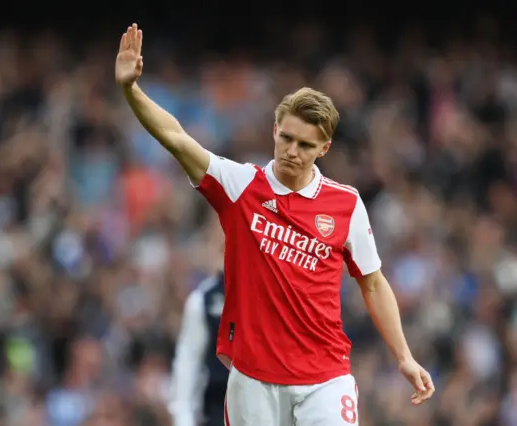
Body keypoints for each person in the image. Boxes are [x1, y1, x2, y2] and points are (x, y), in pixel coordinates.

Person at [115, 23, 435, 425]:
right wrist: (131, 91)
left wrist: (403, 356)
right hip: (253, 378)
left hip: (325, 376)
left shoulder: (346, 204)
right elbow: (176, 138)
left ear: (324, 148)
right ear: (275, 130)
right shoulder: (241, 186)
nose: (292, 151)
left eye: (305, 145)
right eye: (286, 138)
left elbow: (373, 282)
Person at [169, 270, 228, 426]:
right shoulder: (205, 299)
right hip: (220, 406)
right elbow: (187, 364)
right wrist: (183, 418)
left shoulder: (279, 292)